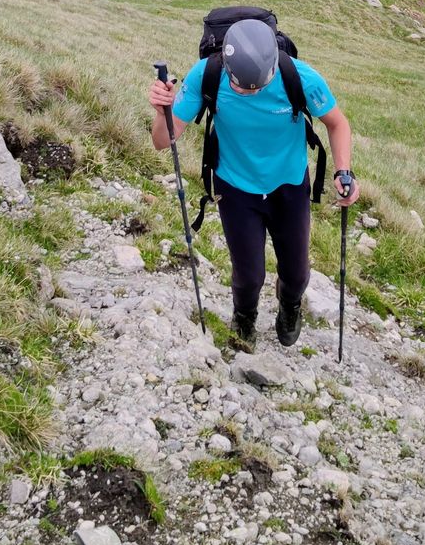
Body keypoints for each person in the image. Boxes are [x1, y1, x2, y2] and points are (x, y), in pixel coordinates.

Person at [148, 18, 357, 350]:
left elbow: (337, 123)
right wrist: (162, 111)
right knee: (248, 276)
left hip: (288, 186)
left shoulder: (300, 77)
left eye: (258, 85)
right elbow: (163, 142)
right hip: (236, 187)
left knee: (297, 273)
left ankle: (290, 305)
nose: (251, 91)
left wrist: (343, 172)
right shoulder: (207, 75)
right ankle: (244, 314)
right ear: (226, 66)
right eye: (242, 85)